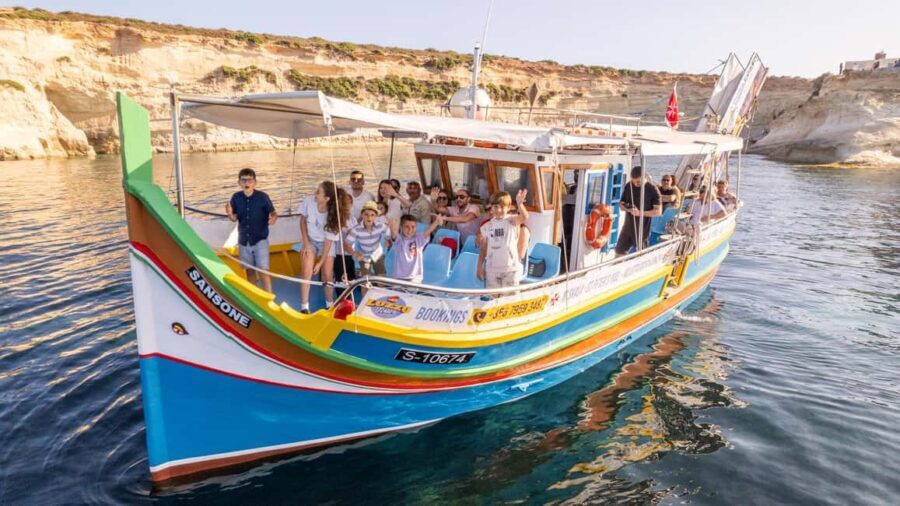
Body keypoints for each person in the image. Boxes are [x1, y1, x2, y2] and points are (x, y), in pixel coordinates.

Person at [298, 181, 348, 313]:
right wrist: (306, 243)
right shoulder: (309, 201)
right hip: (311, 240)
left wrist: (320, 263)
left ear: (327, 199)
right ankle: (304, 307)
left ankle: (329, 304)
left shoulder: (334, 215)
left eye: (318, 192)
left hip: (326, 244)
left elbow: (329, 241)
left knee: (327, 274)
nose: (315, 193)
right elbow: (303, 221)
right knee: (306, 272)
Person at [225, 168, 277, 293]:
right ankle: (256, 295)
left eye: (249, 180)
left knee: (264, 270)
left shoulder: (263, 197)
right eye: (244, 180)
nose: (247, 182)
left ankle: (269, 297)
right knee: (249, 271)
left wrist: (273, 218)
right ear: (239, 183)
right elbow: (234, 218)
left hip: (260, 240)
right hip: (244, 240)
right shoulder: (236, 197)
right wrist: (230, 214)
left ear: (255, 182)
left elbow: (273, 212)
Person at [477, 190, 529, 288]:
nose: (499, 210)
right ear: (491, 207)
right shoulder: (486, 226)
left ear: (509, 207)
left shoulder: (511, 220)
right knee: (493, 299)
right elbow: (484, 248)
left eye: (502, 207)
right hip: (491, 270)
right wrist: (479, 266)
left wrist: (520, 204)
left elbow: (524, 216)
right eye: (496, 206)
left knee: (509, 300)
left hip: (510, 270)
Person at [615, 166, 662, 257]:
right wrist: (627, 208)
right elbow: (621, 204)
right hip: (627, 227)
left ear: (644, 177)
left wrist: (640, 213)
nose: (636, 183)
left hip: (642, 229)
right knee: (619, 252)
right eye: (634, 181)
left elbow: (658, 211)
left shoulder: (653, 190)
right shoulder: (629, 186)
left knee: (640, 255)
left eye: (639, 181)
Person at [389, 213, 444, 283]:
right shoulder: (399, 240)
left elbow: (428, 231)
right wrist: (392, 228)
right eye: (406, 227)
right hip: (399, 278)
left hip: (415, 278)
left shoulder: (419, 238)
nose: (410, 230)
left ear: (416, 226)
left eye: (413, 227)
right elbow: (394, 235)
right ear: (401, 227)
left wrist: (436, 222)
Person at [345, 201, 391, 277]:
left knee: (381, 279)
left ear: (376, 216)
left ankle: (380, 287)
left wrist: (387, 239)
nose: (369, 217)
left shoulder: (381, 226)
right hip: (365, 257)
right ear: (362, 215)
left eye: (372, 215)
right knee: (366, 281)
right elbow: (346, 244)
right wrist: (355, 253)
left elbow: (388, 231)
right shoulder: (356, 229)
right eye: (366, 214)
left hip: (377, 255)